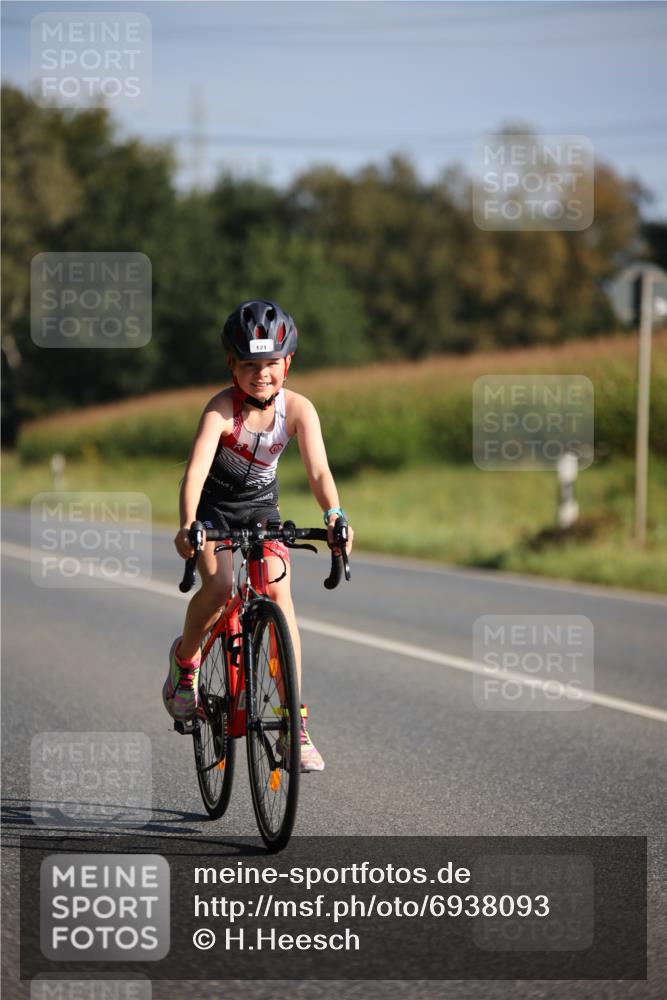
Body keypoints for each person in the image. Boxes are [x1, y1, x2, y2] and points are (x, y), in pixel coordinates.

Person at [164, 299, 353, 772]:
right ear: (232, 365)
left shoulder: (299, 409)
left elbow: (319, 471)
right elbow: (195, 472)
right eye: (249, 365)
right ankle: (185, 667)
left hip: (262, 509)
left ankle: (293, 726)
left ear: (288, 363)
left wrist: (334, 515)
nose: (261, 374)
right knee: (220, 586)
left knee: (279, 594)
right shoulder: (221, 410)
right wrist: (188, 523)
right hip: (214, 509)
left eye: (271, 363)